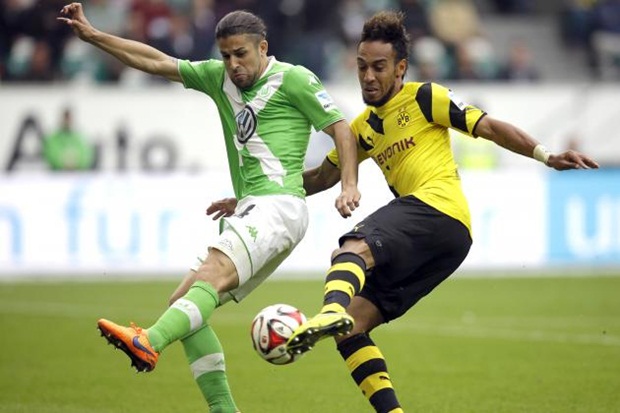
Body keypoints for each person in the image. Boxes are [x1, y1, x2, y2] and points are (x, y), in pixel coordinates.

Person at [282, 11, 599, 413]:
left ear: (400, 68)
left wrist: (546, 155)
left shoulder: (424, 97)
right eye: (362, 67)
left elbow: (490, 127)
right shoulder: (362, 128)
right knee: (352, 326)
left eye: (379, 67)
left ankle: (328, 312)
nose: (368, 77)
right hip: (446, 246)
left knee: (353, 248)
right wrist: (258, 195)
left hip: (439, 208)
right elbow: (322, 177)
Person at [58, 3, 360, 413]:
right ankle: (223, 409)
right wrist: (94, 36)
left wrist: (349, 184)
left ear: (263, 47)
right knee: (183, 303)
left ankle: (149, 340)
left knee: (208, 279)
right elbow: (157, 61)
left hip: (279, 208)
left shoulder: (294, 79)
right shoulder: (219, 78)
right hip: (254, 208)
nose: (233, 64)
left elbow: (341, 129)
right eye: (226, 55)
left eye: (241, 54)